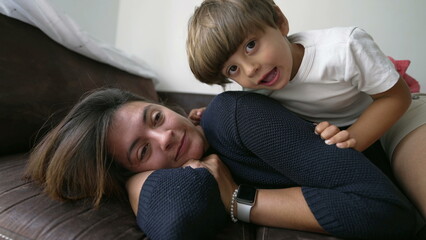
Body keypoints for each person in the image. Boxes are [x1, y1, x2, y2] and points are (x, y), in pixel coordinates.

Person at [25, 88, 421, 240]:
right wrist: (132, 185)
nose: (167, 136)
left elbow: (386, 213)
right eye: (143, 151)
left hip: (398, 124)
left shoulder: (231, 115)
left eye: (156, 117)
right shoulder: (187, 171)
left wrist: (236, 197)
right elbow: (177, 214)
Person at [186, 0, 426, 219]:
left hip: (397, 113)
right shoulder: (257, 89)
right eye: (233, 69)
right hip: (345, 133)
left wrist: (354, 137)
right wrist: (206, 115)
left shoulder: (344, 47)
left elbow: (396, 97)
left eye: (251, 45)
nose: (250, 70)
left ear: (280, 22)